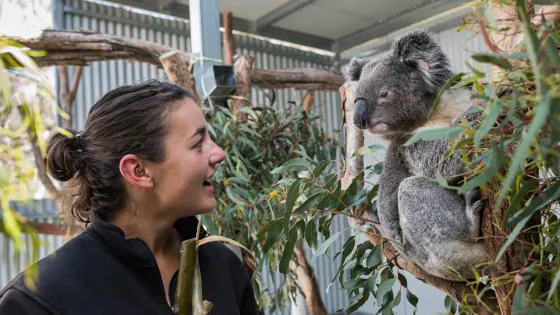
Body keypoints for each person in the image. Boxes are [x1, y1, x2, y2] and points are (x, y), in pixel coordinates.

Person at [0, 80, 258, 315]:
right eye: (197, 143)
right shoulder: (40, 299)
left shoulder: (225, 268)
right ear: (139, 171)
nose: (219, 153)